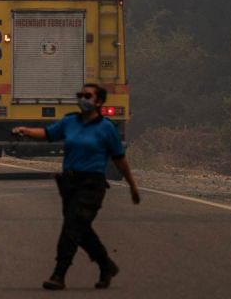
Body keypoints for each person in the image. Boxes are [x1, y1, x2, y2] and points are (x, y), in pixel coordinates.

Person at [13, 84, 140, 291]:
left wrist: (132, 185)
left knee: (72, 227)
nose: (82, 99)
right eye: (80, 95)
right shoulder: (70, 121)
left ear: (99, 102)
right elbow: (47, 134)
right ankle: (106, 265)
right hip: (70, 184)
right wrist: (26, 131)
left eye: (87, 96)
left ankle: (59, 274)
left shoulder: (106, 128)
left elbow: (119, 159)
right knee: (80, 228)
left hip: (92, 185)